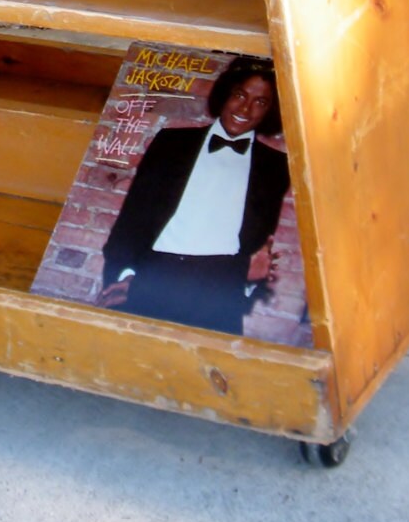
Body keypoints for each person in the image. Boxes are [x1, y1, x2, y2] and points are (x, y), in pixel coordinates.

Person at [98, 55, 289, 333]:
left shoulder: (275, 167)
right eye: (239, 95)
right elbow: (134, 215)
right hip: (154, 277)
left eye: (260, 102)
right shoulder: (171, 143)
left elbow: (260, 238)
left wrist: (245, 282)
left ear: (270, 111)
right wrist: (127, 275)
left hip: (220, 288)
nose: (246, 109)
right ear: (224, 94)